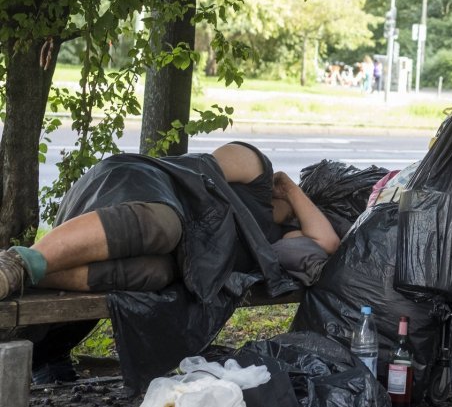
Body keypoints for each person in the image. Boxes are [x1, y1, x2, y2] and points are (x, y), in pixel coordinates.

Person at [0, 142, 339, 384]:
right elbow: (195, 175)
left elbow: (327, 244)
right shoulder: (256, 167)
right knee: (167, 226)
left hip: (166, 249)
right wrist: (283, 183)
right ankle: (16, 262)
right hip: (134, 185)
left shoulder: (271, 242)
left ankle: (27, 274)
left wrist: (294, 194)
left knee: (156, 273)